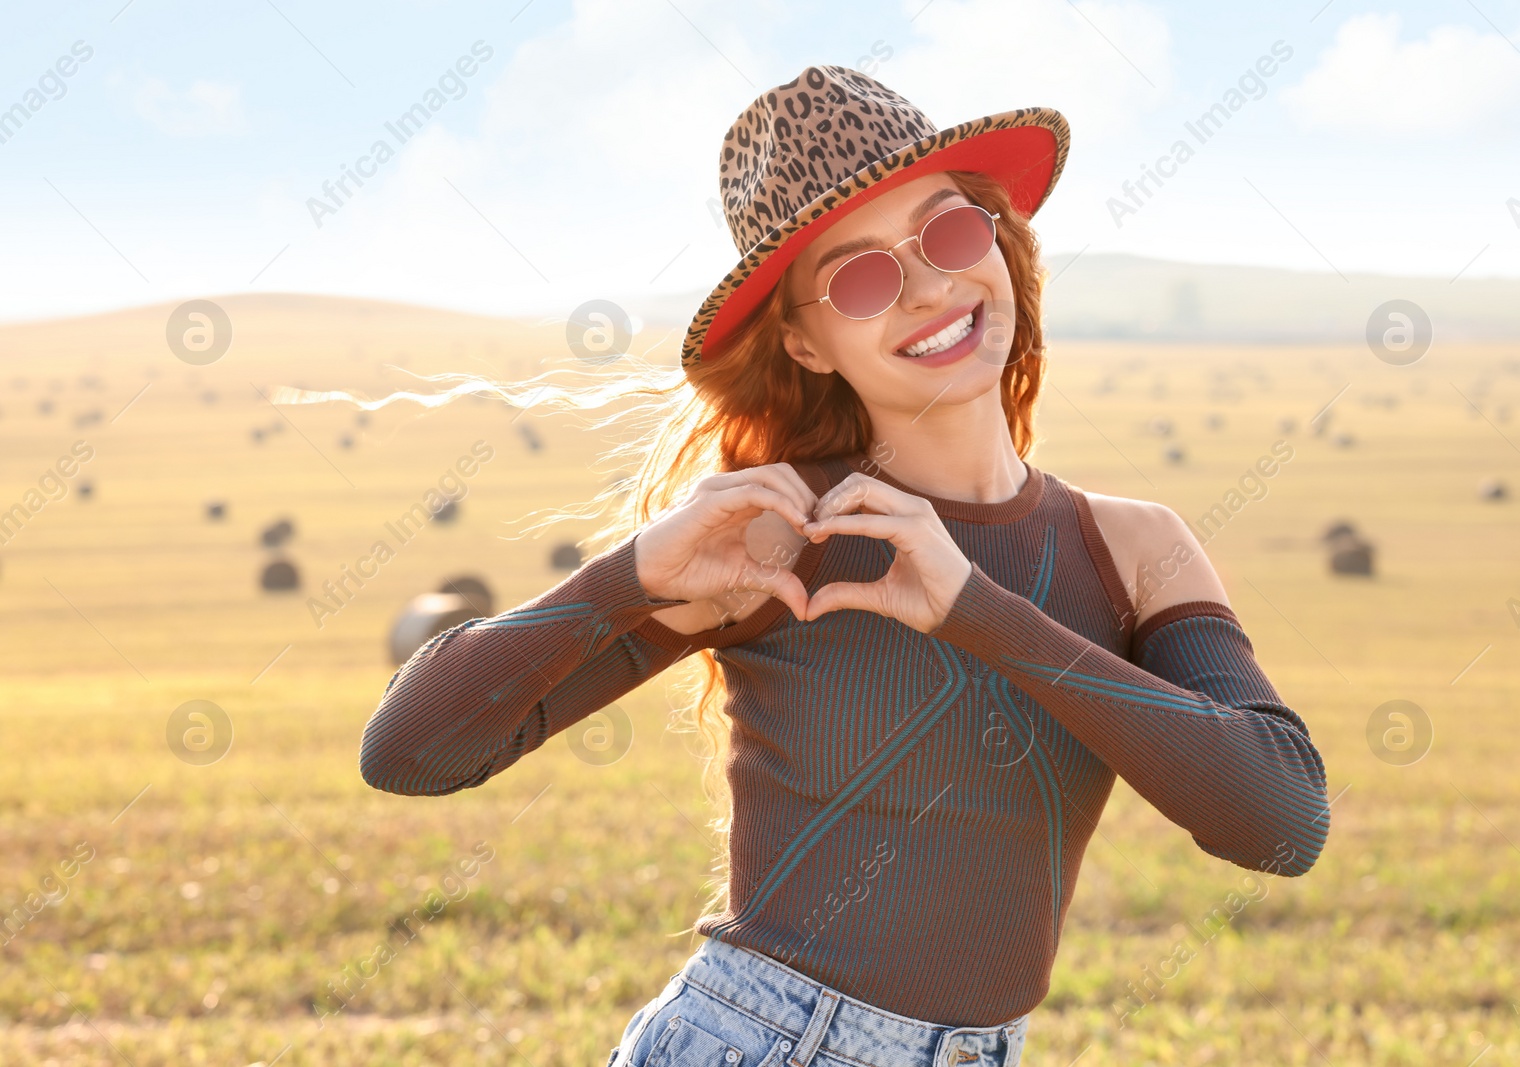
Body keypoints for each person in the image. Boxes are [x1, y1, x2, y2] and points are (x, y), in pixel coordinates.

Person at [357, 65, 1330, 1067]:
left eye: (949, 233)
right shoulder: (783, 540)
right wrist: (630, 574)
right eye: (860, 278)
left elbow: (1279, 820)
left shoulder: (1137, 546)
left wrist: (973, 608)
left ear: (996, 236)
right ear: (804, 343)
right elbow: (410, 751)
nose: (927, 289)